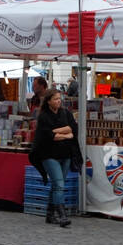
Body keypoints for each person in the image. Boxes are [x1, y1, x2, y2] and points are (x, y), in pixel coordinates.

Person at [29, 88, 80, 227]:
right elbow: (48, 136)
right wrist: (64, 133)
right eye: (56, 99)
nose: (59, 101)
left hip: (65, 154)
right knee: (59, 184)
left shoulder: (65, 113)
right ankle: (62, 215)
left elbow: (72, 129)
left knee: (58, 184)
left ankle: (50, 215)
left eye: (59, 98)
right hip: (49, 155)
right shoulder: (44, 116)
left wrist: (57, 132)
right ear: (49, 101)